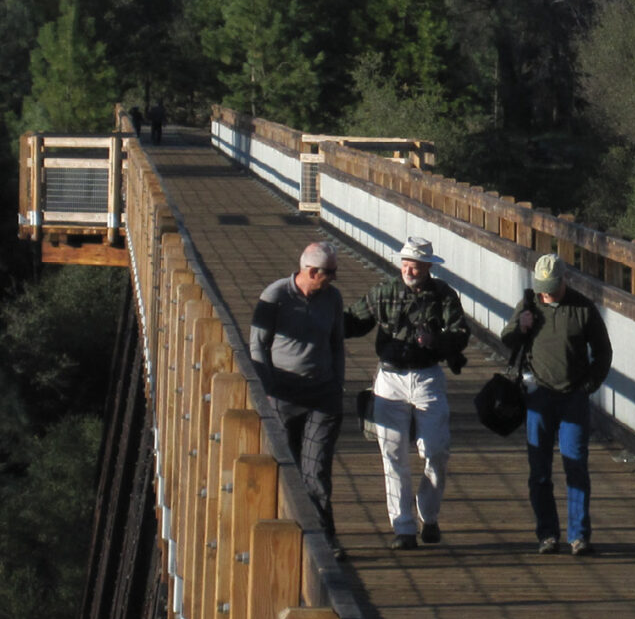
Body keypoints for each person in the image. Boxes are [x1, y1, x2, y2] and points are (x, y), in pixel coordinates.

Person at [347, 236, 471, 549]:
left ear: (428, 267)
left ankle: (428, 515)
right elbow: (354, 321)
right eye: (405, 264)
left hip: (428, 377)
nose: (409, 270)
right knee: (392, 454)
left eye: (414, 266)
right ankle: (403, 528)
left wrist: (436, 343)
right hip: (389, 377)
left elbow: (459, 334)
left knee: (436, 450)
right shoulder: (384, 292)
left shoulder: (443, 296)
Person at [248, 242, 365, 558]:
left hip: (323, 396)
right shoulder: (275, 297)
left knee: (316, 469)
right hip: (283, 396)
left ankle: (326, 539)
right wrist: (268, 386)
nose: (334, 279)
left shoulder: (333, 298)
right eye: (330, 273)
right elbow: (258, 345)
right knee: (287, 466)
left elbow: (336, 344)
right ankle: (289, 536)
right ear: (311, 272)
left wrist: (338, 383)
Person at [500, 254, 613, 555]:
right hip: (538, 394)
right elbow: (506, 339)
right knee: (539, 469)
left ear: (564, 280)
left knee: (575, 465)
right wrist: (520, 327)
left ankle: (579, 535)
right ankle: (547, 533)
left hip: (573, 397)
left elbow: (603, 352)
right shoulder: (529, 305)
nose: (546, 292)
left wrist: (588, 386)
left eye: (551, 286)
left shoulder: (582, 309)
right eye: (542, 286)